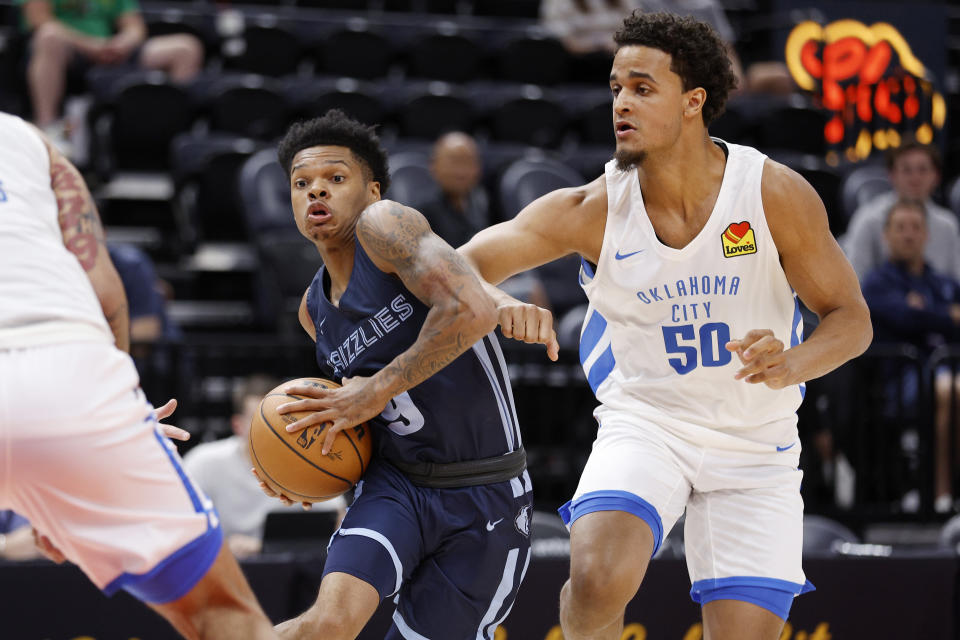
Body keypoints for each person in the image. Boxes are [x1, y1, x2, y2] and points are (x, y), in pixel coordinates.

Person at [459, 12, 872, 640]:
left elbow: (852, 320)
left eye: (643, 88)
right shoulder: (595, 208)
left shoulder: (772, 193)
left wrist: (793, 362)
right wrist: (493, 298)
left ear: (693, 102)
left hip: (756, 442)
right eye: (616, 88)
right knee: (597, 576)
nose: (621, 103)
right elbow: (461, 264)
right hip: (648, 423)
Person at [251, 110, 533, 640]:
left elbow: (473, 309)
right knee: (328, 624)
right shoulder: (312, 310)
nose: (317, 192)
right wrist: (300, 466)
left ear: (372, 192)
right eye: (301, 183)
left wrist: (376, 389)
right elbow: (363, 417)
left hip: (483, 488)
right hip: (396, 485)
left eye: (336, 180)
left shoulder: (386, 227)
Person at [0, 111, 277, 640]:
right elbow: (106, 292)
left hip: (59, 365)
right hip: (68, 374)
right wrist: (123, 417)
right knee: (220, 613)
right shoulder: (27, 139)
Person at [861, 199, 960, 513]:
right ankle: (940, 491)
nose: (908, 235)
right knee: (948, 390)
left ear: (927, 236)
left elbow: (922, 318)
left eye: (915, 228)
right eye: (900, 228)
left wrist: (926, 311)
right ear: (886, 235)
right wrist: (947, 316)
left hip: (948, 372)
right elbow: (905, 319)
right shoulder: (876, 283)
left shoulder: (943, 283)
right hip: (900, 381)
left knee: (951, 388)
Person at [183, 375, 346, 558]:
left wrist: (264, 547)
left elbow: (338, 519)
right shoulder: (204, 462)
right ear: (238, 426)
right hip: (224, 567)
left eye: (276, 420)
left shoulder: (304, 463)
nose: (271, 429)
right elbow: (178, 529)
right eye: (260, 421)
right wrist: (220, 548)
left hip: (287, 571)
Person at [18, 0, 203, 142]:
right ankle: (47, 126)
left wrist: (123, 43)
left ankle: (171, 133)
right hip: (70, 48)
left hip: (110, 51)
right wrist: (90, 46)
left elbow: (135, 27)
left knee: (186, 49)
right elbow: (39, 19)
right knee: (49, 36)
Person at [844, 138, 960, 283]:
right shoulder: (868, 219)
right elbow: (853, 282)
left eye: (923, 170)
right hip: (879, 303)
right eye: (907, 170)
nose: (915, 178)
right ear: (891, 175)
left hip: (937, 303)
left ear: (936, 176)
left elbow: (956, 282)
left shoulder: (948, 224)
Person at [416, 131, 492, 249]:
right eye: (454, 161)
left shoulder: (485, 203)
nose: (461, 171)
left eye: (468, 161)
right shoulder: (420, 212)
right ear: (434, 165)